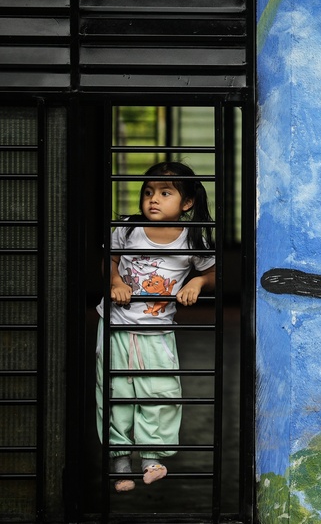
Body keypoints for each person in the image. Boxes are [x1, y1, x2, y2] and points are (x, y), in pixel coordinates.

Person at [97, 161, 216, 492]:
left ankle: (152, 457)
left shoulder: (193, 239)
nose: (153, 199)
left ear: (187, 203)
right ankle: (119, 463)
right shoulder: (127, 229)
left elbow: (214, 272)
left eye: (165, 193)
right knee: (115, 392)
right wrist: (115, 279)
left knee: (159, 391)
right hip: (116, 326)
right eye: (148, 192)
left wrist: (197, 283)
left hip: (157, 332)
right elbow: (109, 259)